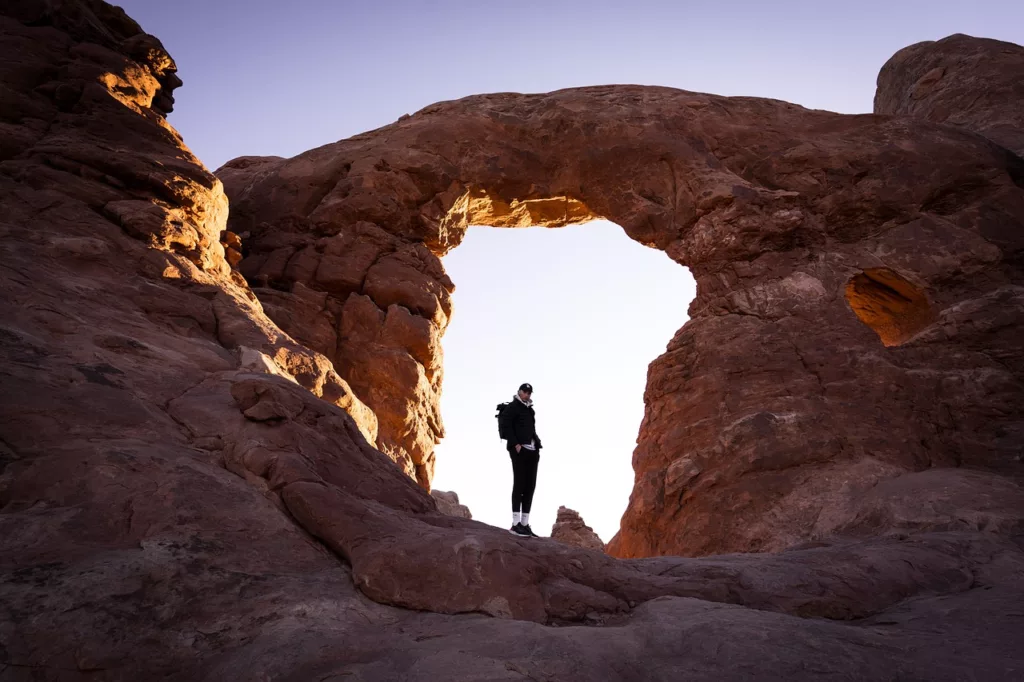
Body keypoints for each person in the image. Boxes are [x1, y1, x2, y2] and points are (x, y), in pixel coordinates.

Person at [500, 382, 542, 537]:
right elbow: (506, 425)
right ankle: (515, 523)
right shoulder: (512, 407)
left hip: (533, 450)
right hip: (519, 450)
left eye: (529, 393)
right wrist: (515, 444)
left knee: (530, 486)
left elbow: (532, 429)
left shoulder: (530, 410)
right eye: (524, 392)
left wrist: (537, 445)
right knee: (519, 484)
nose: (527, 394)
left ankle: (525, 524)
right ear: (519, 392)